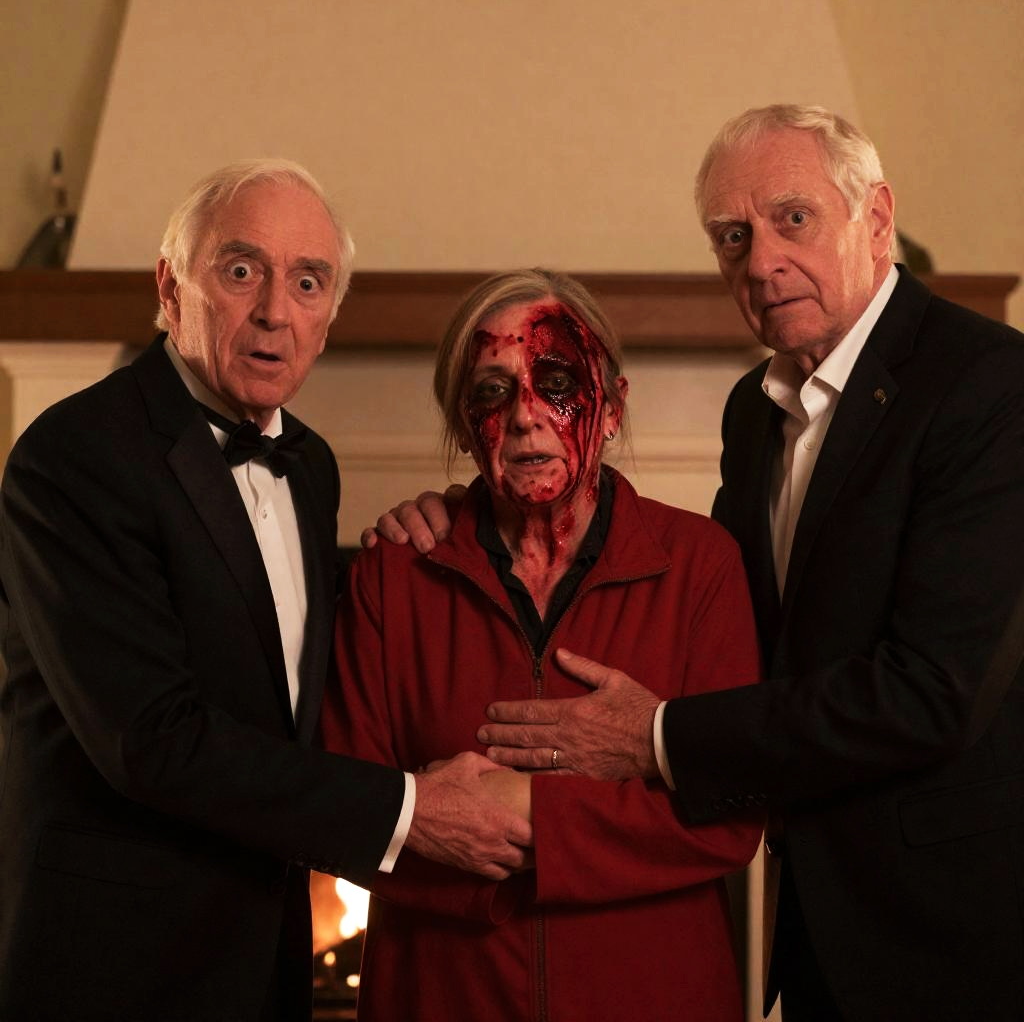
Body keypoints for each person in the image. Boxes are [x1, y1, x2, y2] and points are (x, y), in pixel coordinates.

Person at [371, 107, 1024, 1021]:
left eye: (793, 218)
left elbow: (935, 692)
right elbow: (732, 624)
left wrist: (653, 738)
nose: (761, 262)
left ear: (876, 218)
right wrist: (466, 510)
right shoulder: (754, 412)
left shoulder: (992, 383)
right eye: (732, 236)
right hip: (820, 926)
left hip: (957, 928)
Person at [0, 159, 531, 1022]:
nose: (275, 311)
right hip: (114, 964)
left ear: (329, 317)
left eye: (308, 282)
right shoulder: (75, 457)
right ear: (170, 287)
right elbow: (152, 741)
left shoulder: (309, 464)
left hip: (262, 952)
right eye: (241, 270)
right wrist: (410, 810)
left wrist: (420, 549)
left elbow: (274, 672)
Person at [324, 268, 762, 1021]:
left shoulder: (702, 565)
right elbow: (340, 814)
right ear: (465, 425)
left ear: (612, 406)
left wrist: (527, 816)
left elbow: (730, 815)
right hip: (442, 1000)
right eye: (492, 392)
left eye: (557, 382)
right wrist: (434, 822)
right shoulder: (390, 578)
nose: (526, 415)